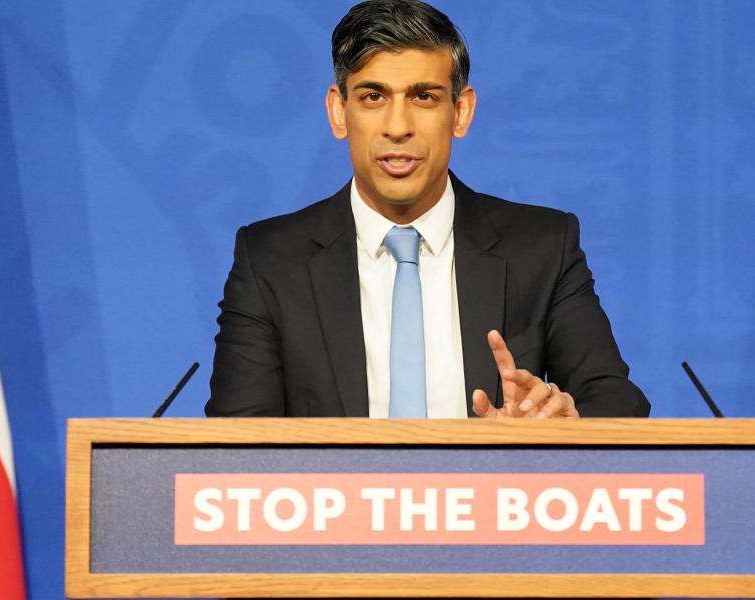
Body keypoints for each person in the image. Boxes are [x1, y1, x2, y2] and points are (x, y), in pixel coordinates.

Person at [206, 0, 648, 420]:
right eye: (373, 97)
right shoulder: (268, 261)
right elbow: (236, 444)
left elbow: (614, 401)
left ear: (461, 111)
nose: (398, 127)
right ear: (339, 112)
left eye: (424, 97)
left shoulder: (544, 248)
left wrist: (554, 426)